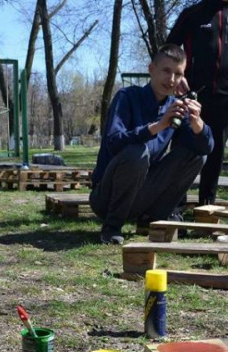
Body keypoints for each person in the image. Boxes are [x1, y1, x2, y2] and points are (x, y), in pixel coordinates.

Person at [90, 44, 214, 245]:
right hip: (106, 197)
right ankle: (112, 226)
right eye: (166, 71)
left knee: (197, 155)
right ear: (151, 69)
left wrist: (198, 123)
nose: (171, 79)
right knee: (137, 152)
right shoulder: (127, 97)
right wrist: (156, 126)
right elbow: (113, 143)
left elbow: (205, 148)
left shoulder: (175, 108)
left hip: (142, 196)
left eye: (178, 74)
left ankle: (152, 219)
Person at [166, 0, 228, 206]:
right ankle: (175, 207)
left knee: (215, 155)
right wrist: (178, 77)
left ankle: (206, 207)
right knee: (184, 152)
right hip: (191, 97)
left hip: (223, 100)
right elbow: (169, 48)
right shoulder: (192, 14)